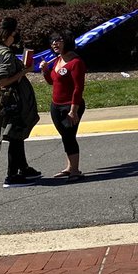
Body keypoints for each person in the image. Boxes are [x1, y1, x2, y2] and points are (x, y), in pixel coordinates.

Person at [0, 16, 42, 188]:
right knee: (15, 135)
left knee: (16, 136)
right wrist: (24, 71)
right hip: (11, 101)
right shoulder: (5, 54)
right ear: (11, 32)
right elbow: (2, 81)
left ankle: (24, 169)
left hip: (5, 101)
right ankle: (12, 176)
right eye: (16, 31)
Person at [41, 31, 87, 180]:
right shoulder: (57, 60)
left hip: (70, 106)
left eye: (58, 40)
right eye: (53, 41)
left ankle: (75, 171)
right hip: (56, 106)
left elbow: (78, 88)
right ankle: (69, 167)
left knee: (69, 137)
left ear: (67, 42)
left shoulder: (76, 63)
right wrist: (45, 71)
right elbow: (52, 81)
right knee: (65, 136)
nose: (55, 43)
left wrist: (74, 111)